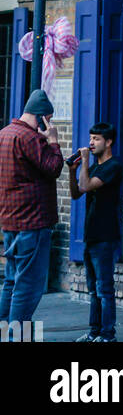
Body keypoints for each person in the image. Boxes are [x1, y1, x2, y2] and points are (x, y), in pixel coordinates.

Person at [0, 88, 64, 335]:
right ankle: (19, 338)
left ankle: (5, 334)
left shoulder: (4, 134)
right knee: (29, 286)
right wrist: (54, 141)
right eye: (49, 119)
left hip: (11, 220)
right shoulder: (30, 138)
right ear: (42, 117)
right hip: (33, 221)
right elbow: (54, 167)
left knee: (11, 282)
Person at [68, 122, 123, 344]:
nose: (91, 143)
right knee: (93, 290)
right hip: (91, 236)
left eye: (96, 139)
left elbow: (88, 185)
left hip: (105, 235)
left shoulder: (113, 166)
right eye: (90, 138)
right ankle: (94, 332)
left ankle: (108, 335)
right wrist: (73, 172)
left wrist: (85, 163)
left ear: (108, 142)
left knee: (104, 289)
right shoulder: (94, 168)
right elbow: (75, 193)